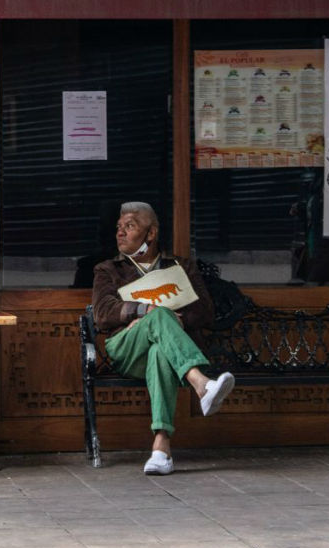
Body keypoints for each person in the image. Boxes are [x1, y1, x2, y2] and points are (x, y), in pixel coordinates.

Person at [91, 201, 234, 475]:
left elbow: (205, 310)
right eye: (119, 227)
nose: (120, 232)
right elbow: (102, 312)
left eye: (129, 226)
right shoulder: (108, 270)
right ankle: (201, 383)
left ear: (151, 234)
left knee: (160, 351)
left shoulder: (181, 266)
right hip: (126, 346)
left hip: (166, 350)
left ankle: (161, 448)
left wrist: (177, 319)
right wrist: (145, 310)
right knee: (158, 315)